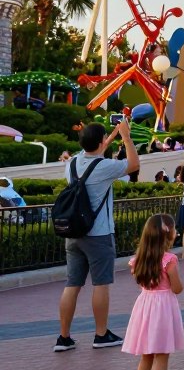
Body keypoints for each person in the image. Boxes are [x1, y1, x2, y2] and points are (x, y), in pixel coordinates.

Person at [54, 120, 138, 352]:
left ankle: (63, 338)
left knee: (72, 284)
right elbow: (133, 164)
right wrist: (126, 137)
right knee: (101, 284)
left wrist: (108, 136)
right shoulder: (105, 167)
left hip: (74, 234)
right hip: (98, 234)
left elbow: (93, 150)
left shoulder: (71, 163)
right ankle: (101, 334)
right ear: (101, 143)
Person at [122, 213, 184, 370]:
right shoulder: (169, 260)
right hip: (163, 308)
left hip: (144, 305)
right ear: (168, 234)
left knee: (146, 357)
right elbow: (176, 288)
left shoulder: (137, 260)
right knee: (161, 356)